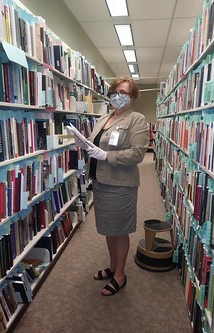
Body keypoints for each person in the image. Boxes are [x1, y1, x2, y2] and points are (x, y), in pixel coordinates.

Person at [73, 77, 149, 296]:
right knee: (109, 229)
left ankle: (120, 276)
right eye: (116, 91)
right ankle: (113, 266)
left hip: (120, 185)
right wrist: (84, 143)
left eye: (124, 92)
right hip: (100, 181)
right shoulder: (104, 118)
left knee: (120, 230)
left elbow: (137, 153)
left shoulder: (137, 119)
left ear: (133, 96)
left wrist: (107, 155)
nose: (119, 95)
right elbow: (94, 143)